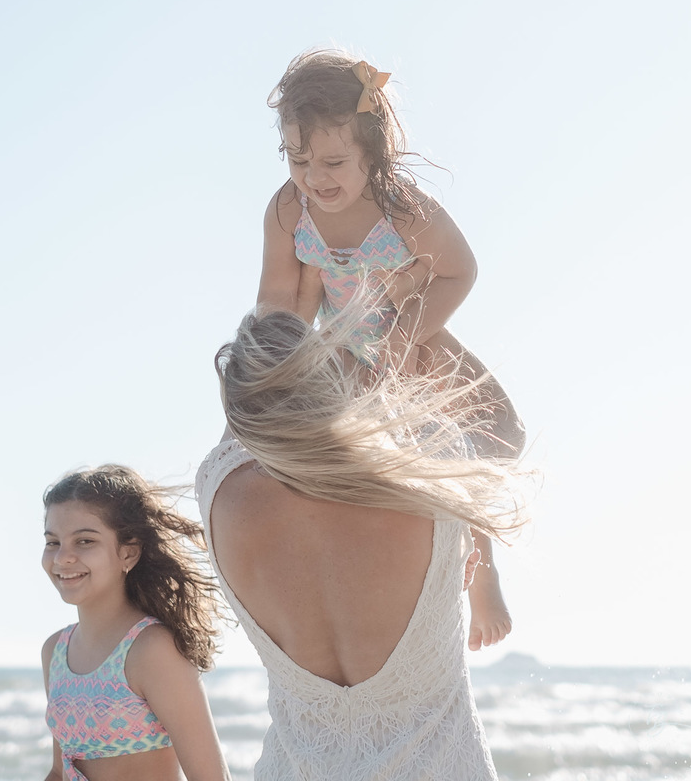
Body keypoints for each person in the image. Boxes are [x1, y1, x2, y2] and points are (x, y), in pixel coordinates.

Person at [256, 47, 523, 650]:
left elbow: (459, 271)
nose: (315, 177)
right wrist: (279, 362)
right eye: (298, 159)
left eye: (332, 161)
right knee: (344, 464)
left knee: (461, 449)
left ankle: (480, 571)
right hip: (343, 345)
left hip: (412, 336)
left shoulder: (402, 208)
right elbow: (278, 294)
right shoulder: (286, 210)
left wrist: (407, 331)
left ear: (371, 151)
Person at [197, 307, 530, 779]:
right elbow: (505, 437)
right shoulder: (425, 465)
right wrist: (415, 313)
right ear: (327, 382)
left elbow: (253, 408)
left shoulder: (219, 490)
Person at [40, 466, 232, 781]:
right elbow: (60, 771)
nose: (63, 557)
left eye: (85, 541)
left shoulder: (151, 649)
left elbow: (211, 777)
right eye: (52, 542)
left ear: (128, 553)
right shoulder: (55, 651)